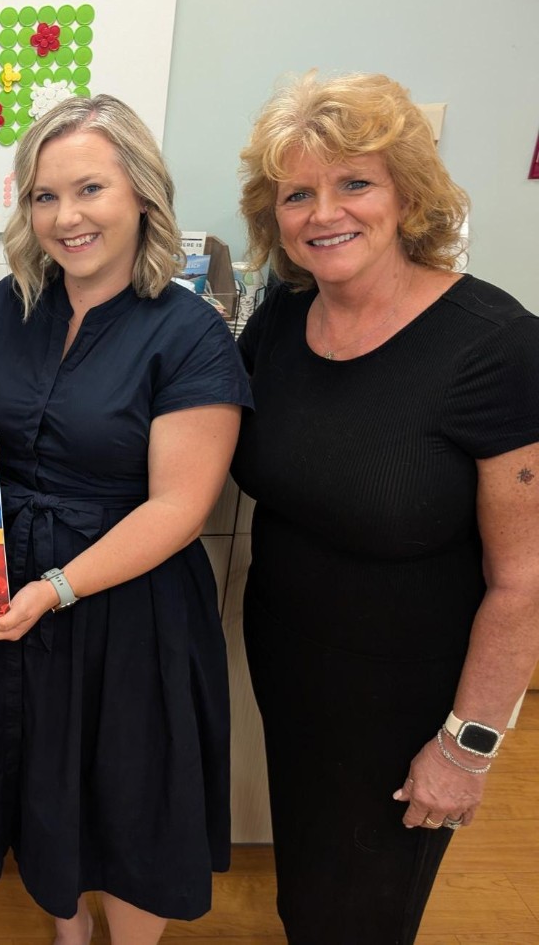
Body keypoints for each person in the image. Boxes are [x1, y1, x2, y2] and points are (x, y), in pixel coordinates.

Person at [0, 94, 250, 944]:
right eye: (44, 195)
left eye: (89, 189)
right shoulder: (10, 304)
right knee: (38, 786)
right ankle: (68, 936)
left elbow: (181, 506)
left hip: (125, 611)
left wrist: (55, 588)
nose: (65, 217)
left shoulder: (190, 335)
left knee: (130, 806)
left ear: (141, 194)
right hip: (7, 598)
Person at [232, 71, 539, 944]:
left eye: (353, 183)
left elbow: (524, 581)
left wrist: (466, 746)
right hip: (292, 667)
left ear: (407, 194)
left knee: (363, 910)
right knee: (309, 888)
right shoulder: (284, 319)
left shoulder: (497, 347)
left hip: (408, 693)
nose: (324, 213)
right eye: (298, 194)